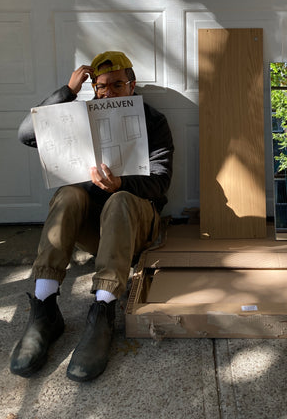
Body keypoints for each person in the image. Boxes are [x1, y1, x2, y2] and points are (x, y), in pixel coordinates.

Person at [10, 51, 174, 382]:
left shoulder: (152, 120)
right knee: (68, 194)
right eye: (101, 87)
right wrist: (68, 92)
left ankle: (103, 311)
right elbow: (27, 134)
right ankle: (44, 308)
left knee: (120, 200)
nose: (108, 93)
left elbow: (161, 180)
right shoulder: (79, 114)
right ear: (93, 89)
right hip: (94, 229)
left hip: (134, 222)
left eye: (117, 85)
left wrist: (121, 183)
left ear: (132, 85)